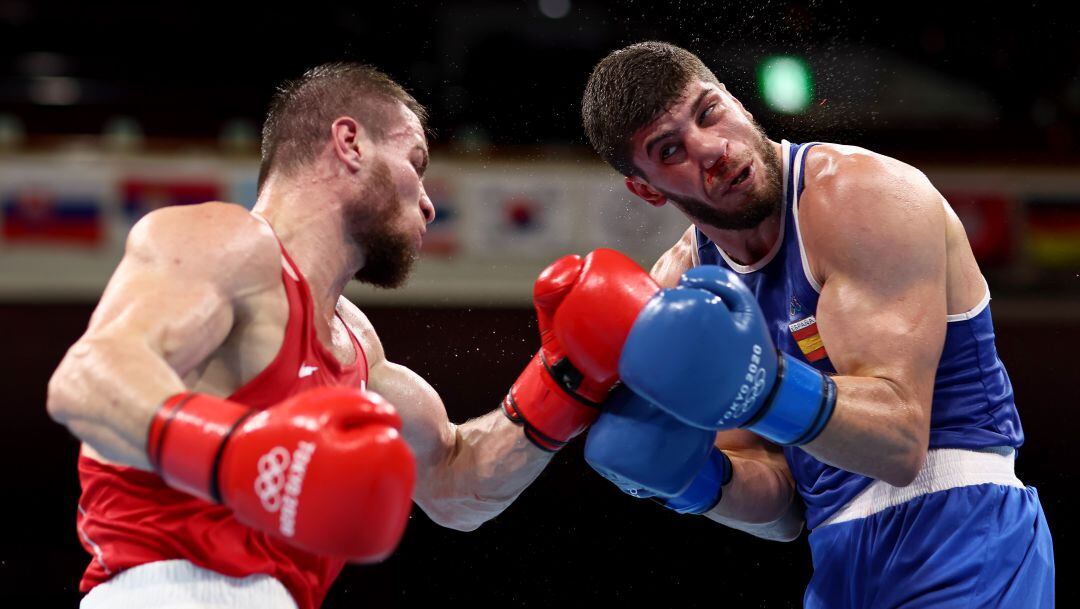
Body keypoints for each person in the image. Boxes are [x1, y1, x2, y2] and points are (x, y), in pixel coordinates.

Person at [45, 62, 655, 609]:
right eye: (415, 164)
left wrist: (566, 378)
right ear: (349, 143)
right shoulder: (227, 244)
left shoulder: (359, 348)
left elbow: (455, 484)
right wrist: (234, 455)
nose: (428, 204)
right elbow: (86, 378)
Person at [576, 41, 1055, 607]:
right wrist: (695, 481)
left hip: (963, 530)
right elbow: (781, 511)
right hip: (837, 564)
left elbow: (899, 442)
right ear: (646, 188)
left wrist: (759, 386)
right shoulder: (684, 286)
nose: (711, 148)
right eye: (671, 149)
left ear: (738, 103)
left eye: (709, 113)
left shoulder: (862, 198)